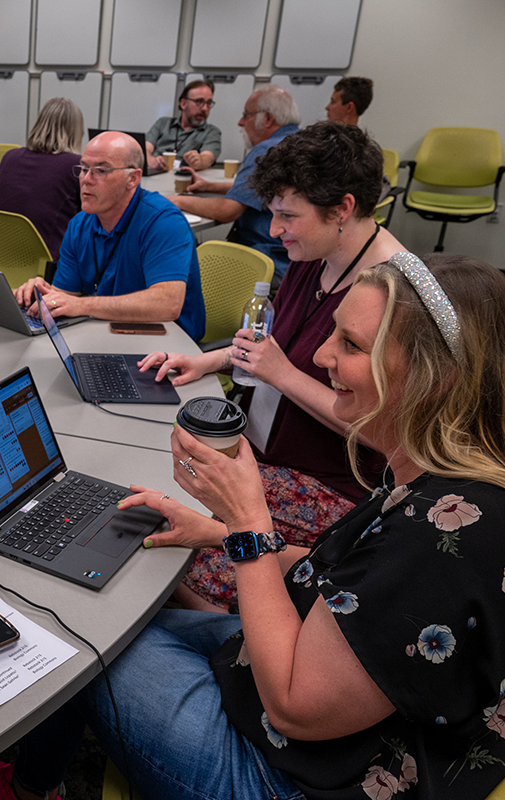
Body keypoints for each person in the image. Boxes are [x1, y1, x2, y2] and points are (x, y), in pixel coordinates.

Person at [0, 252, 505, 800]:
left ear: (435, 378)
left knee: (74, 633)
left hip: (284, 775)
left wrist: (248, 522)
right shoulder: (441, 481)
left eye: (351, 345)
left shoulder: (443, 538)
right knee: (113, 611)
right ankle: (35, 782)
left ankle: (30, 788)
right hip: (309, 701)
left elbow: (296, 708)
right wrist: (216, 533)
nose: (321, 355)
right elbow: (351, 587)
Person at [138, 122, 403, 612]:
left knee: (165, 561)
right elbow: (276, 344)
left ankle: (230, 653)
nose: (275, 230)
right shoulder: (316, 251)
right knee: (151, 517)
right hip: (269, 460)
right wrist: (205, 360)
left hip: (330, 487)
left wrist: (282, 374)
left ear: (342, 209)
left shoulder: (391, 294)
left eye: (286, 216)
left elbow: (385, 431)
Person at [13, 131, 206, 341]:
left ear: (133, 178)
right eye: (84, 169)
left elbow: (167, 305)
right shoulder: (80, 224)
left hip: (168, 347)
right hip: (106, 334)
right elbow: (66, 296)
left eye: (101, 171)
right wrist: (43, 295)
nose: (86, 180)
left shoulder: (164, 222)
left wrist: (82, 305)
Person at [168, 86, 301, 284]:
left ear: (267, 119)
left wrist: (176, 201)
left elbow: (227, 211)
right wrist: (210, 186)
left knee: (179, 271)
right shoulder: (298, 143)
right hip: (297, 261)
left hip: (266, 258)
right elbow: (261, 188)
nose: (240, 122)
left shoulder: (267, 150)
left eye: (246, 115)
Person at [0, 97, 84, 259]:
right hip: (48, 262)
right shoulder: (75, 165)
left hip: (1, 255)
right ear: (77, 131)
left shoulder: (10, 157)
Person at [145, 79, 222, 173]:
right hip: (155, 176)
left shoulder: (211, 132)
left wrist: (199, 161)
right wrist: (151, 160)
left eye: (209, 103)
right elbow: (145, 148)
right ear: (183, 103)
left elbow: (208, 157)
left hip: (185, 180)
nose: (205, 108)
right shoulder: (163, 123)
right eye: (199, 101)